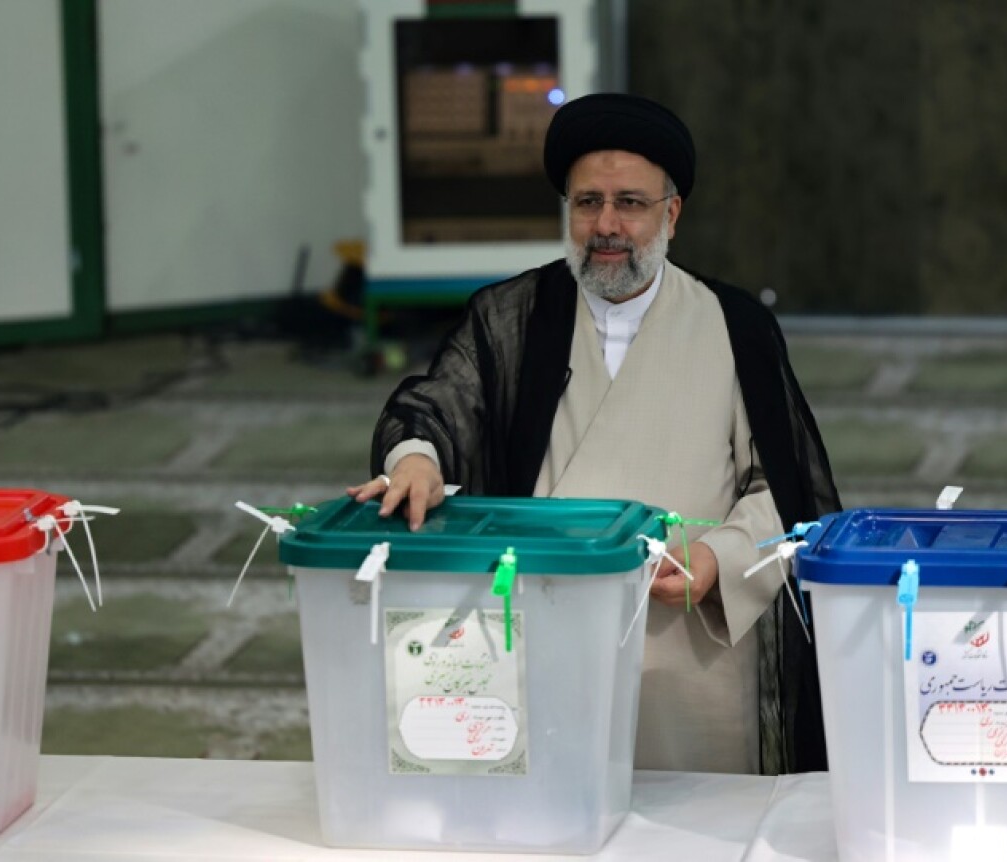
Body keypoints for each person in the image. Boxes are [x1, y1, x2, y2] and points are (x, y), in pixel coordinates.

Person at [348, 92, 840, 775]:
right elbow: (433, 409)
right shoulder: (510, 315)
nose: (606, 225)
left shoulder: (735, 326)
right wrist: (416, 460)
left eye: (630, 203)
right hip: (548, 624)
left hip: (693, 641)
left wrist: (717, 561)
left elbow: (783, 489)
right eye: (587, 203)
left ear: (672, 213)